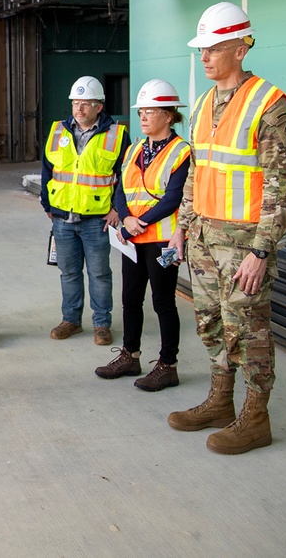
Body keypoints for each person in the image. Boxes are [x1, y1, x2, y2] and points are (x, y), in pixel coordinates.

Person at [166, 2, 286, 454]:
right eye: (201, 49)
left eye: (213, 48)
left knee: (250, 329)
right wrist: (182, 227)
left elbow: (282, 189)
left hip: (243, 246)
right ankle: (220, 402)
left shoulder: (270, 105)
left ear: (240, 49)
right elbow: (196, 175)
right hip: (203, 240)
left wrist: (262, 252)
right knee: (210, 324)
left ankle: (255, 418)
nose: (204, 57)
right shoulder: (203, 103)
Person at [95, 79, 190, 391]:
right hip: (133, 240)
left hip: (163, 243)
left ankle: (168, 365)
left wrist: (140, 221)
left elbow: (175, 197)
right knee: (130, 299)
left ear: (168, 114)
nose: (144, 117)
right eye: (141, 112)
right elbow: (122, 188)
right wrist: (124, 218)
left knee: (163, 302)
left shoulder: (182, 152)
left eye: (150, 111)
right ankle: (130, 355)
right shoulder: (136, 148)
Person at [41, 76, 129, 346]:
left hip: (96, 219)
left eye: (86, 104)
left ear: (99, 107)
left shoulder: (116, 135)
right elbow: (47, 170)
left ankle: (102, 324)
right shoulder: (58, 130)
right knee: (68, 272)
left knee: (99, 273)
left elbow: (126, 176)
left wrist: (117, 209)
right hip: (63, 218)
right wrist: (48, 204)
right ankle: (71, 320)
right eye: (76, 103)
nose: (79, 109)